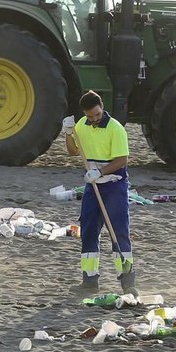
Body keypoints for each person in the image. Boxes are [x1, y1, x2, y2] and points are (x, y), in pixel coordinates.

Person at [64, 89, 134, 290]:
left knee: (119, 232)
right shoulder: (81, 125)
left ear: (102, 107)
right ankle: (89, 280)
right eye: (89, 116)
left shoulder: (116, 129)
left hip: (114, 186)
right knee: (88, 232)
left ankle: (128, 282)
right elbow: (72, 151)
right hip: (92, 188)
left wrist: (100, 172)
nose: (94, 119)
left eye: (97, 114)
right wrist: (69, 133)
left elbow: (122, 160)